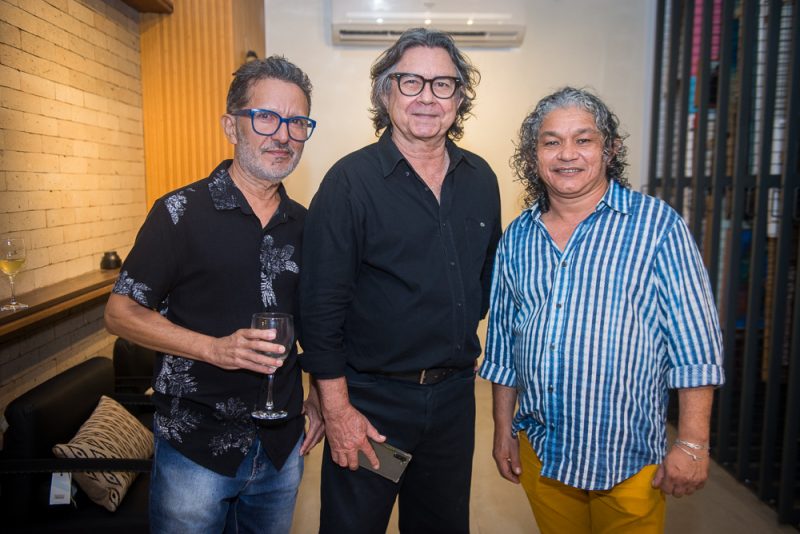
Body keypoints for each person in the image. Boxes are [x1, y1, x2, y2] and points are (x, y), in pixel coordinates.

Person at [479, 86, 725, 533]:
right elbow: (503, 348)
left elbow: (696, 347)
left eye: (583, 139)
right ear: (534, 156)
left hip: (628, 459)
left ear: (609, 149)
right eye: (551, 141)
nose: (566, 154)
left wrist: (693, 443)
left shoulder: (657, 227)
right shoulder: (517, 238)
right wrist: (503, 430)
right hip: (543, 452)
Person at [104, 55, 324, 534]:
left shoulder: (309, 226)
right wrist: (213, 349)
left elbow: (318, 326)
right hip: (194, 447)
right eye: (266, 117)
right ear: (231, 125)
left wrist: (319, 399)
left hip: (282, 447)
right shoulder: (179, 213)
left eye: (297, 122)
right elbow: (120, 313)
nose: (283, 135)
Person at [299, 28, 501, 534]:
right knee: (356, 526)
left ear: (460, 98)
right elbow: (320, 312)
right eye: (411, 82)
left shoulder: (481, 180)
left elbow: (480, 286)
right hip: (373, 407)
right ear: (385, 92)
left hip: (453, 402)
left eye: (443, 84)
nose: (427, 98)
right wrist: (338, 408)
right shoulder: (350, 183)